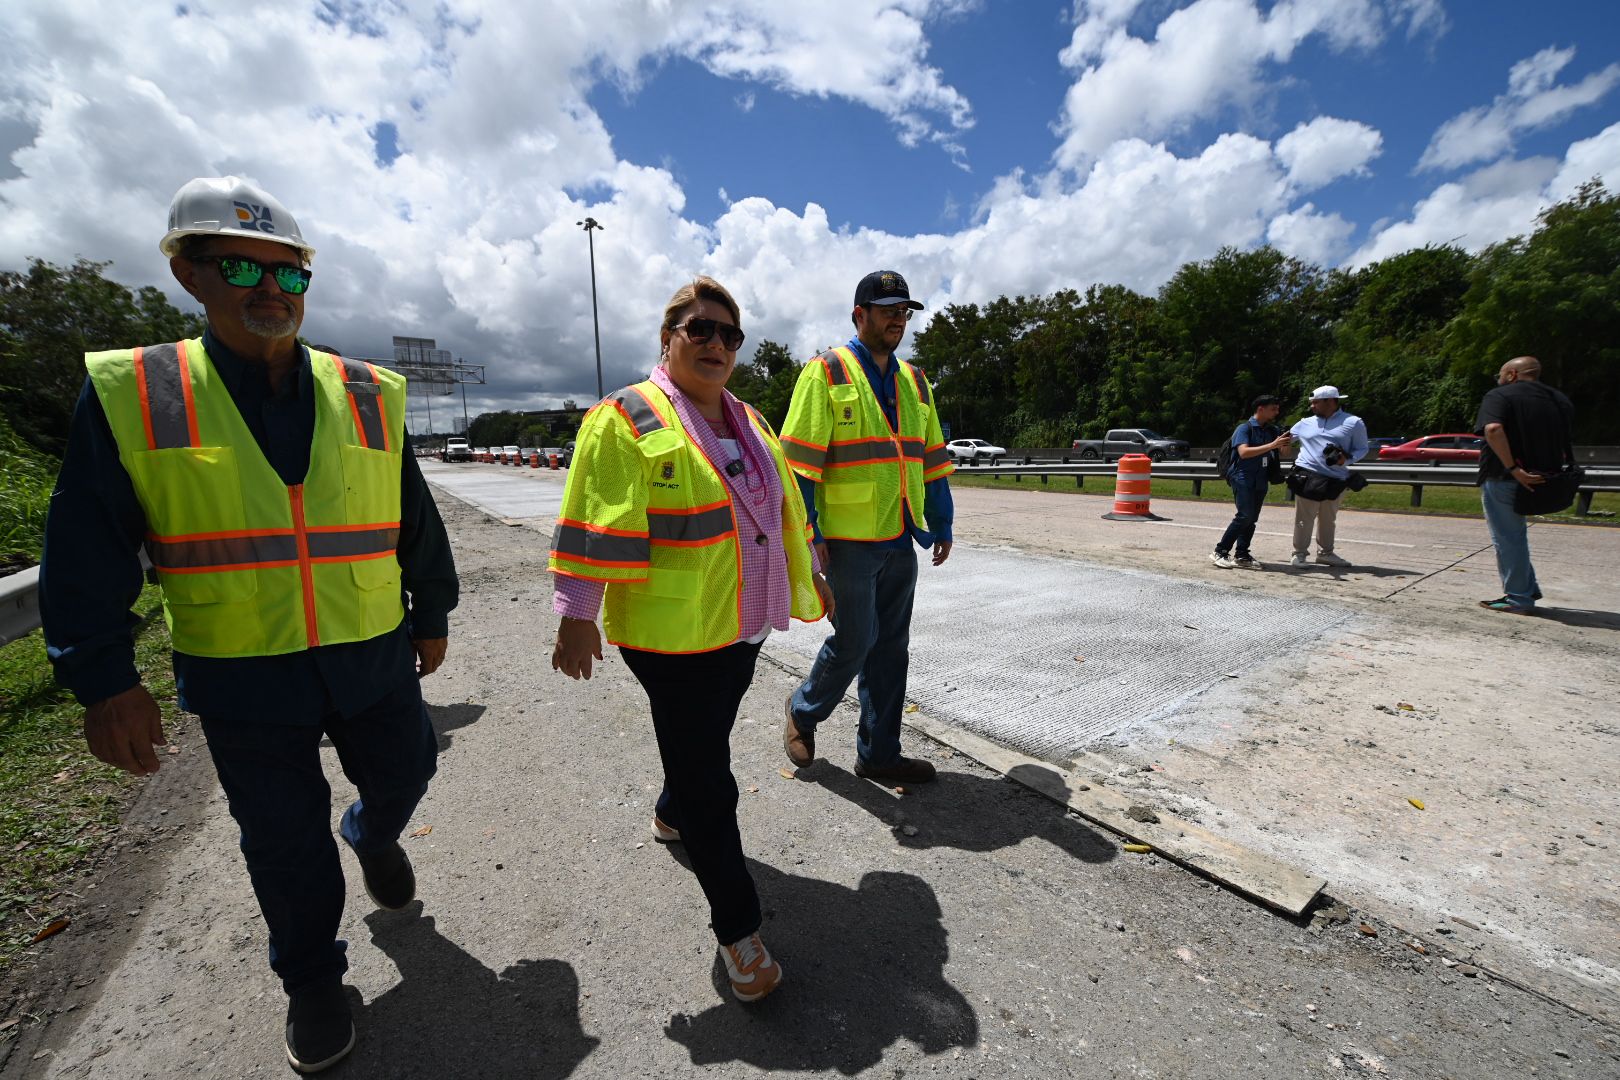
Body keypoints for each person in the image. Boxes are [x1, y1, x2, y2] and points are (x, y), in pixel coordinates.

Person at [39, 176, 458, 1074]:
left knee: (409, 771)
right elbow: (86, 546)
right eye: (239, 266)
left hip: (369, 648)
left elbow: (410, 514)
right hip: (240, 670)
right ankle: (312, 983)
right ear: (192, 274)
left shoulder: (367, 392)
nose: (271, 290)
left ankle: (375, 834)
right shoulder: (137, 391)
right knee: (280, 839)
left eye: (289, 273)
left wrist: (434, 608)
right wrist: (106, 679)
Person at [549, 276, 831, 1004]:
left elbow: (783, 512)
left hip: (739, 623)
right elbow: (592, 517)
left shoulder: (751, 419)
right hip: (670, 633)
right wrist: (578, 612)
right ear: (668, 339)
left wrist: (815, 573)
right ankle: (739, 931)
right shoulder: (626, 418)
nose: (716, 345)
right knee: (712, 774)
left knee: (702, 743)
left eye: (729, 335)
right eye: (700, 330)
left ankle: (673, 809)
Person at [780, 270, 955, 784]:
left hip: (899, 535)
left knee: (890, 650)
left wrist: (940, 522)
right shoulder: (827, 373)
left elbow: (933, 459)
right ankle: (802, 710)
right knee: (855, 641)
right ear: (860, 315)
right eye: (887, 311)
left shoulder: (915, 381)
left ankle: (879, 753)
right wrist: (809, 543)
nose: (898, 320)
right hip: (847, 543)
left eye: (904, 311)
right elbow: (800, 470)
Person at [1474, 355, 1575, 614]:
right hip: (1546, 477)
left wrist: (1513, 468)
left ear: (1512, 375)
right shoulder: (1558, 399)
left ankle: (1518, 597)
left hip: (1505, 476)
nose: (1499, 379)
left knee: (1508, 538)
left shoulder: (1501, 395)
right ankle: (1527, 587)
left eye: (1500, 374)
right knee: (1515, 537)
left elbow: (1494, 429)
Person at [1286, 386, 1369, 568]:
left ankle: (1326, 553)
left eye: (1315, 402)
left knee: (1328, 518)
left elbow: (1362, 448)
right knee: (1303, 518)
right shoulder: (1304, 422)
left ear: (1331, 401)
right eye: (1311, 403)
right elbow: (1285, 440)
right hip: (1307, 476)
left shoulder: (1354, 422)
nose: (1312, 406)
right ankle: (1298, 554)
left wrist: (1346, 459)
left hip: (1336, 479)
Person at [1211, 395, 1292, 569]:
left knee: (1251, 519)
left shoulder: (1272, 430)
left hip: (1260, 478)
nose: (1276, 412)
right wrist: (1272, 445)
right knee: (1244, 515)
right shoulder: (1244, 428)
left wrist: (1285, 441)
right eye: (1273, 408)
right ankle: (1220, 551)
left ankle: (1242, 555)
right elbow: (1244, 452)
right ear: (1260, 409)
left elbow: (1284, 453)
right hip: (1242, 476)